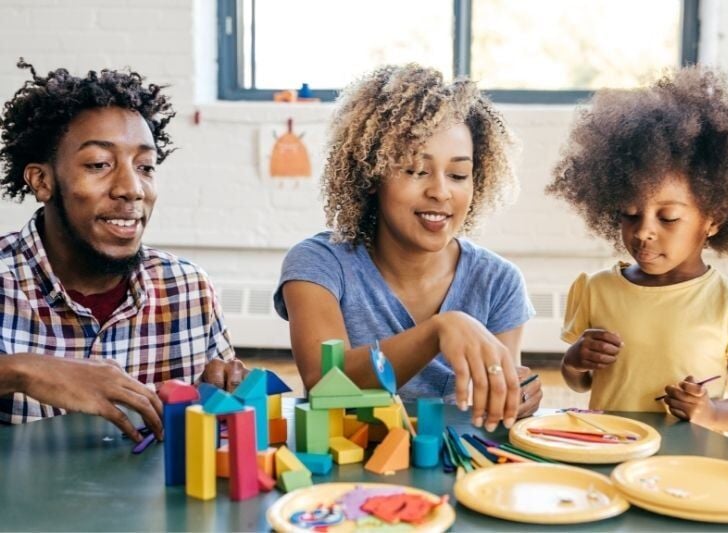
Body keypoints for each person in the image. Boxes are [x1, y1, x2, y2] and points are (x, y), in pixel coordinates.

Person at [274, 64, 542, 433]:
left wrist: (514, 393)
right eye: (417, 170)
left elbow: (493, 409)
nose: (441, 191)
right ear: (371, 174)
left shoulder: (499, 282)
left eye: (459, 175)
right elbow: (324, 384)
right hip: (345, 469)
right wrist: (439, 330)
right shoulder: (319, 264)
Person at [0, 60, 245, 442]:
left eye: (145, 167)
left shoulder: (188, 288)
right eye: (99, 164)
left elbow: (222, 415)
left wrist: (227, 389)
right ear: (42, 180)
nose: (132, 189)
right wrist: (21, 371)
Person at [547, 66, 728, 431]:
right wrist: (574, 362)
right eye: (630, 214)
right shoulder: (595, 289)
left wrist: (710, 413)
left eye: (668, 218)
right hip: (612, 445)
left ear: (712, 219)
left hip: (687, 460)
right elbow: (580, 382)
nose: (644, 231)